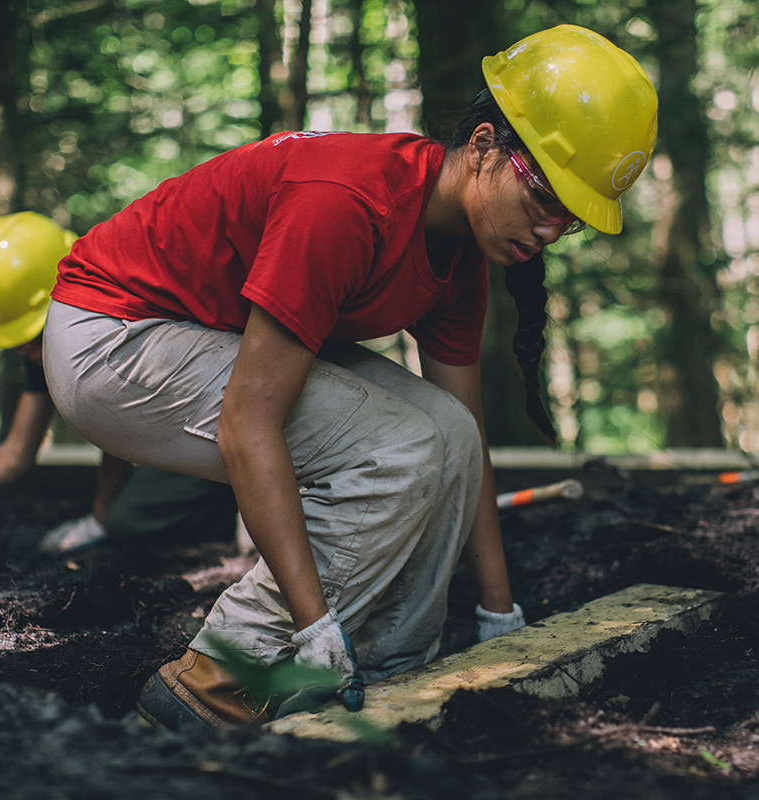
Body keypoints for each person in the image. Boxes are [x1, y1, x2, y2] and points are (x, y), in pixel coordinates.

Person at [41, 24, 658, 729]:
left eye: (570, 219)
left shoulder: (463, 251)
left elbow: (469, 443)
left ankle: (390, 675)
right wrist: (312, 626)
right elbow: (250, 423)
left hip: (206, 331)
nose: (550, 230)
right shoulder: (348, 202)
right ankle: (213, 681)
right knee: (396, 448)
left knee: (446, 435)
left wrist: (499, 614)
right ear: (485, 145)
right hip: (110, 337)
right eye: (545, 199)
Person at [0, 212, 237, 555]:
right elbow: (18, 450)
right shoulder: (39, 345)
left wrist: (100, 518)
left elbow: (117, 427)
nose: (27, 352)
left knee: (128, 519)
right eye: (20, 342)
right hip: (164, 437)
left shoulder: (113, 314)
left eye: (31, 337)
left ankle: (237, 509)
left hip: (216, 421)